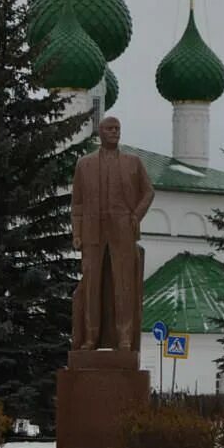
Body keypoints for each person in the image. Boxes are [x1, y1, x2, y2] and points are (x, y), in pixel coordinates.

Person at [70, 116, 154, 351]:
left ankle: (124, 338)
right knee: (91, 287)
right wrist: (77, 232)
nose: (115, 132)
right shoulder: (84, 164)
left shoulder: (133, 162)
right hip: (92, 232)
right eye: (110, 129)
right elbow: (77, 203)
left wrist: (135, 216)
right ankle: (90, 338)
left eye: (118, 129)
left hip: (122, 230)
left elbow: (148, 192)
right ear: (100, 132)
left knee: (124, 285)